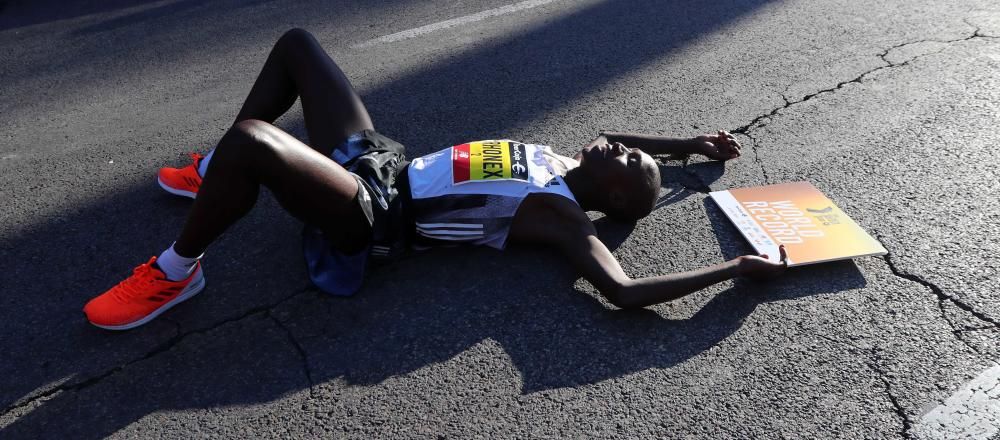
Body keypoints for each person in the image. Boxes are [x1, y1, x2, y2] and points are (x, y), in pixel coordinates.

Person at [83, 28, 788, 331]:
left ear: (607, 197)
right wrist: (689, 148)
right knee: (297, 46)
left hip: (372, 214)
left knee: (253, 142)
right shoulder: (566, 164)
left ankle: (178, 270)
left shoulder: (558, 214)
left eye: (628, 161)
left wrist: (730, 269)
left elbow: (626, 292)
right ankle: (220, 175)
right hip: (377, 162)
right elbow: (625, 147)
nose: (623, 144)